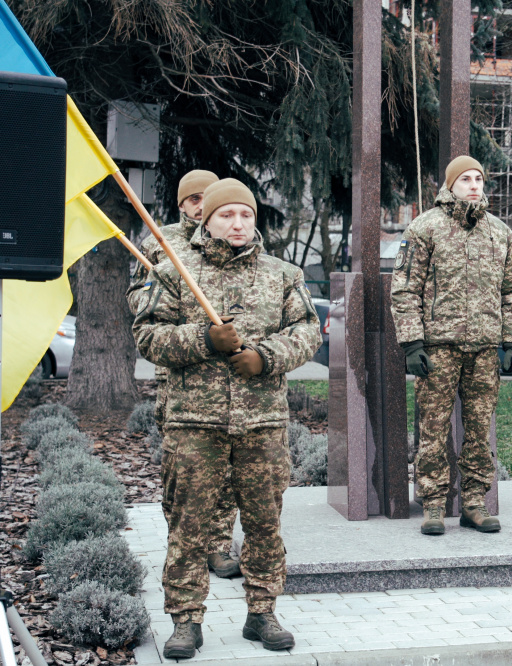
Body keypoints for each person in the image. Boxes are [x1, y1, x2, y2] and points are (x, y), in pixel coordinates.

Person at [134, 178, 321, 657]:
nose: (238, 224)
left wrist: (265, 356)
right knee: (189, 526)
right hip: (194, 423)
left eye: (246, 215)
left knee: (264, 524)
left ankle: (262, 613)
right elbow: (148, 336)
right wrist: (203, 341)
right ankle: (185, 620)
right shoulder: (175, 270)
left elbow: (308, 331)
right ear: (207, 219)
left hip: (261, 423)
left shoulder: (283, 274)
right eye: (226, 215)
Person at [390, 155, 512, 536]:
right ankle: (433, 504)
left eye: (479, 179)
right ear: (450, 185)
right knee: (432, 429)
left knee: (479, 429)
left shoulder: (500, 233)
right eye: (465, 179)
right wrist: (412, 342)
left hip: (484, 349)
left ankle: (473, 503)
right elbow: (404, 289)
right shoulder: (424, 228)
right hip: (439, 348)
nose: (473, 185)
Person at [126, 170, 242, 580]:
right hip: (180, 373)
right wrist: (169, 294)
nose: (199, 203)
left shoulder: (235, 235)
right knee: (182, 468)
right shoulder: (160, 245)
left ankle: (217, 545)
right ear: (181, 205)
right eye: (192, 198)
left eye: (206, 196)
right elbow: (139, 301)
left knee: (228, 469)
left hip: (230, 376)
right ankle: (184, 539)